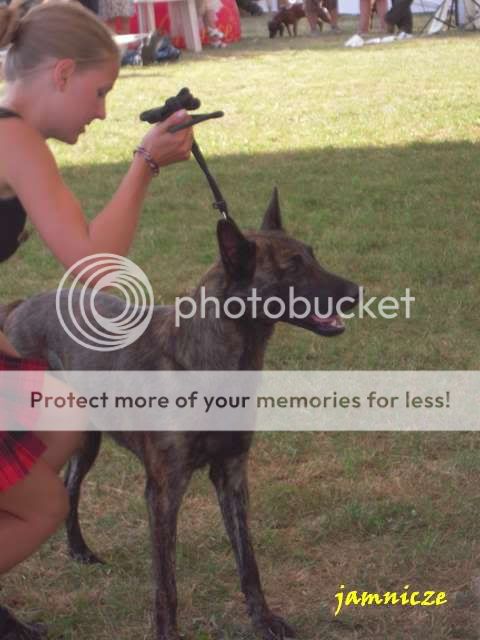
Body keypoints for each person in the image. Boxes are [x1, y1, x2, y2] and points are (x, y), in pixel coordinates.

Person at [0, 0, 192, 637]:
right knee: (44, 505)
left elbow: (90, 254)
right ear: (61, 73)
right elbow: (98, 267)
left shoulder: (13, 137)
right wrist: (146, 163)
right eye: (101, 91)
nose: (103, 111)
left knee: (61, 420)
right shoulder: (13, 140)